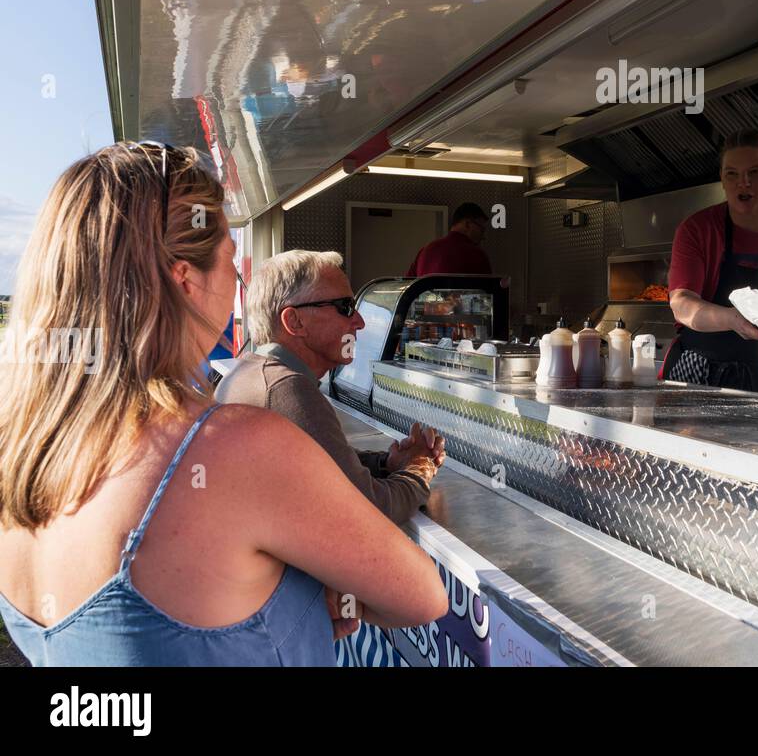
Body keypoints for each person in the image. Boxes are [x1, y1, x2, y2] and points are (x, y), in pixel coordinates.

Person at [0, 143, 447, 667]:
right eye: (231, 263)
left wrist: (288, 597)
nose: (236, 284)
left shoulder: (22, 453)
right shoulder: (234, 444)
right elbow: (421, 596)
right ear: (184, 280)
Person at [218, 250, 445, 524]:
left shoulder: (250, 373)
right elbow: (372, 510)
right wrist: (420, 467)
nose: (359, 322)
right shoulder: (287, 390)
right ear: (294, 321)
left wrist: (385, 464)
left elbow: (317, 463)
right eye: (345, 307)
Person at [662, 130, 758, 392]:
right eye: (732, 173)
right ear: (721, 178)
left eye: (755, 172)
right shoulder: (698, 229)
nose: (743, 182)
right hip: (701, 371)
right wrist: (734, 319)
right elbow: (681, 303)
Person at [407, 201, 491, 276]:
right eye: (481, 229)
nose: (483, 237)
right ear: (467, 224)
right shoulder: (476, 255)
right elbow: (487, 291)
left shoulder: (425, 251)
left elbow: (407, 284)